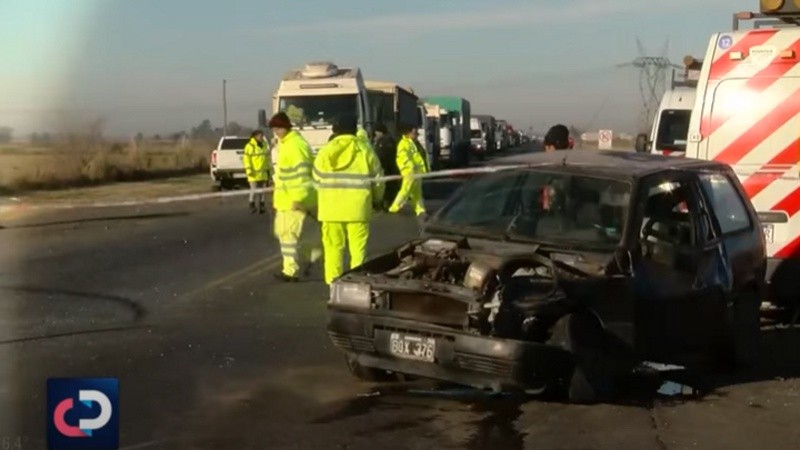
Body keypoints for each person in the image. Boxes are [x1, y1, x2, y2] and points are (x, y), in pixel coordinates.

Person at [313, 114, 384, 285]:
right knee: (358, 250)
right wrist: (377, 199)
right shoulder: (365, 150)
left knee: (332, 249)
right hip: (358, 208)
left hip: (330, 210)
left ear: (335, 131)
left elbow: (316, 178)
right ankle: (357, 282)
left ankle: (333, 283)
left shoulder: (325, 151)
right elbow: (378, 179)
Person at [268, 112, 321, 282]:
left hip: (294, 200)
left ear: (286, 127)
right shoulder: (286, 144)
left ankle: (291, 270)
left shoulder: (295, 145)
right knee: (285, 234)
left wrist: (298, 199)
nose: (276, 131)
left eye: (278, 128)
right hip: (286, 200)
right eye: (274, 128)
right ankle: (309, 259)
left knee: (289, 236)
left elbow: (302, 175)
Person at [388, 123, 428, 220]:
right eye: (414, 133)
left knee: (417, 193)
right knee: (405, 190)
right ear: (408, 133)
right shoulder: (404, 144)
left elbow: (419, 157)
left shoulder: (413, 143)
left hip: (416, 172)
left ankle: (420, 209)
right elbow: (403, 158)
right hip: (410, 172)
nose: (416, 135)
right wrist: (410, 169)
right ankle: (394, 208)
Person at [243, 129, 271, 214]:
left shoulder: (265, 144)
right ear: (255, 136)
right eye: (260, 136)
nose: (262, 137)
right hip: (253, 172)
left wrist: (269, 170)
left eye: (262, 136)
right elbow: (246, 159)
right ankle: (252, 205)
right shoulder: (250, 146)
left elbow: (267, 158)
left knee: (262, 191)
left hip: (263, 172)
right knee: (254, 190)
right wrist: (248, 170)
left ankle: (262, 206)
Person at [373, 123, 399, 209]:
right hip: (388, 168)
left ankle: (388, 204)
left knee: (388, 187)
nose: (375, 134)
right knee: (388, 187)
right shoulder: (385, 140)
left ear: (380, 132)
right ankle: (387, 204)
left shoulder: (385, 141)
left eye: (376, 132)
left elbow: (382, 155)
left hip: (387, 168)